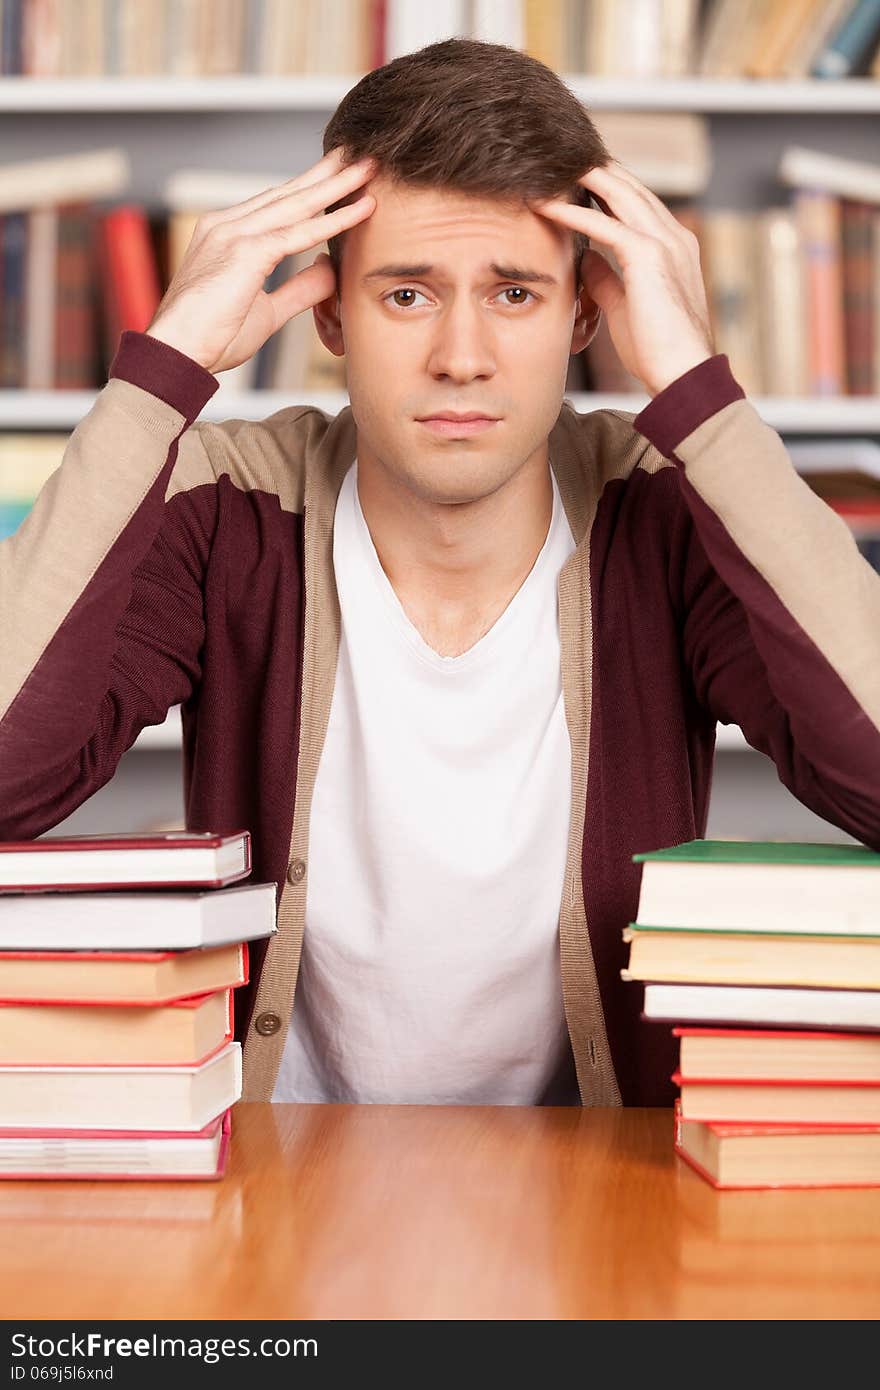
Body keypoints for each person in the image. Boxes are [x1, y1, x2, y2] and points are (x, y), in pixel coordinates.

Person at [1, 38, 878, 1108]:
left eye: (513, 293)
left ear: (584, 315)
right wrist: (164, 370)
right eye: (407, 295)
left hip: (604, 1216)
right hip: (277, 1215)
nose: (460, 355)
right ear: (329, 315)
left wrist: (698, 388)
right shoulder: (229, 508)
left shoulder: (662, 511)